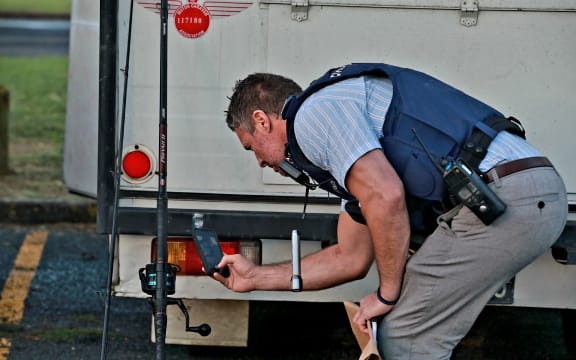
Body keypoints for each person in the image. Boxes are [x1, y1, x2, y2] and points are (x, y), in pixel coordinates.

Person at [213, 63, 567, 359]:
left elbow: (386, 196)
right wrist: (255, 277)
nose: (259, 161)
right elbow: (349, 258)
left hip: (505, 195)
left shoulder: (313, 116)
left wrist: (387, 293)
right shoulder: (350, 149)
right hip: (518, 192)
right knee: (403, 329)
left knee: (404, 337)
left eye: (251, 147)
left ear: (262, 120)